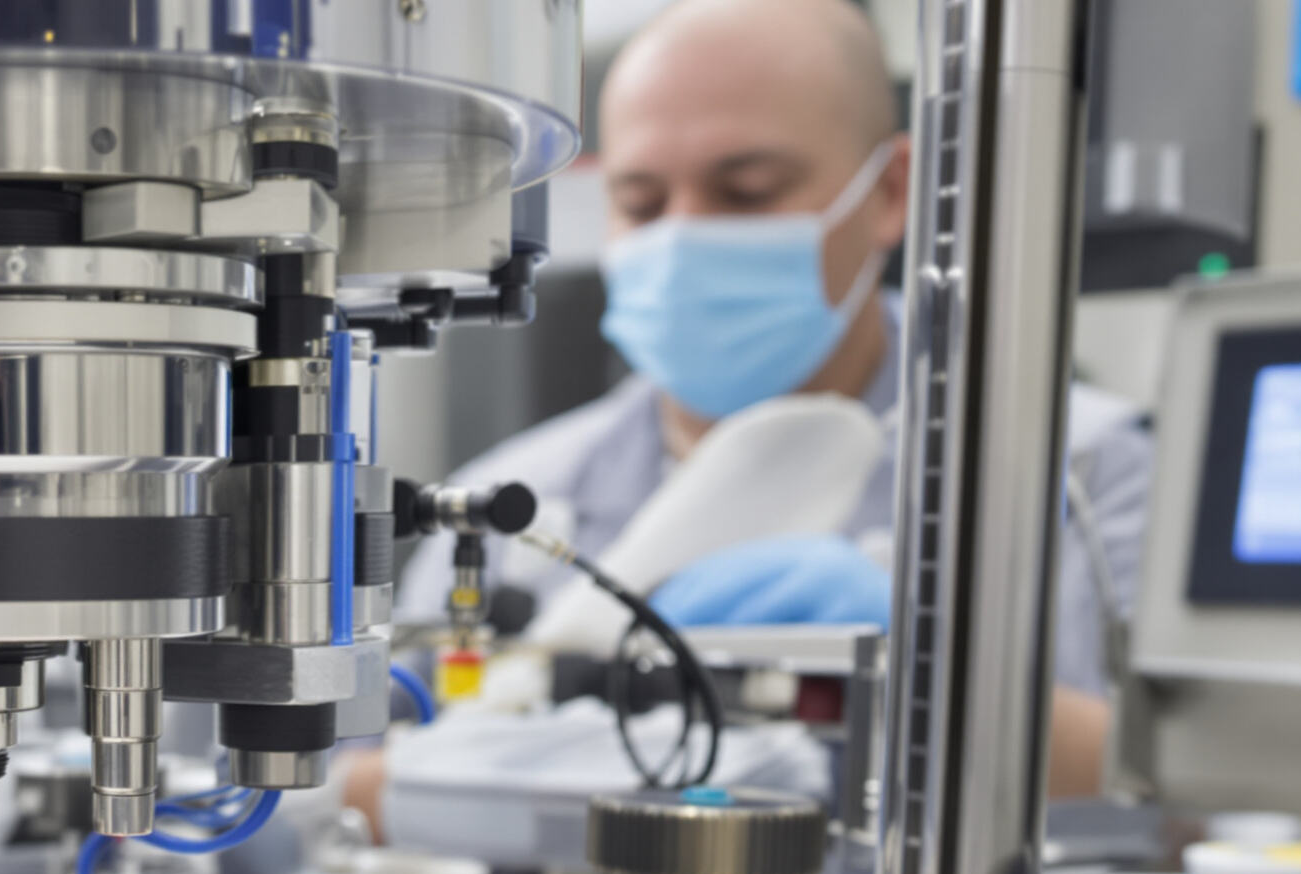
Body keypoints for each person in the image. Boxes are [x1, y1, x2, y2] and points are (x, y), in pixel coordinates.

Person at [352, 0, 1147, 830]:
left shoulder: (1083, 472)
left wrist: (927, 674)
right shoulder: (510, 502)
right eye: (643, 203)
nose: (686, 235)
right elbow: (354, 795)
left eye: (747, 191)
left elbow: (1181, 801)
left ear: (890, 191)